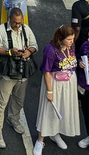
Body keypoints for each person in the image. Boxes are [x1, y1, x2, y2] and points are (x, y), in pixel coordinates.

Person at [0, 8, 37, 149]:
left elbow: (34, 46)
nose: (18, 25)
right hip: (7, 73)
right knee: (1, 103)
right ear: (9, 19)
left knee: (18, 99)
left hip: (23, 73)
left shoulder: (26, 29)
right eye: (15, 23)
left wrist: (28, 52)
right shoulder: (0, 30)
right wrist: (9, 52)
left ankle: (13, 119)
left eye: (20, 22)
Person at [34, 24, 80, 155]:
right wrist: (50, 91)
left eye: (72, 39)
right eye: (69, 39)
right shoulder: (50, 50)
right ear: (60, 38)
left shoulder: (71, 46)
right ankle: (40, 140)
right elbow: (46, 72)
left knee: (63, 109)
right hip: (54, 83)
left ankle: (55, 133)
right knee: (48, 111)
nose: (72, 42)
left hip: (68, 84)